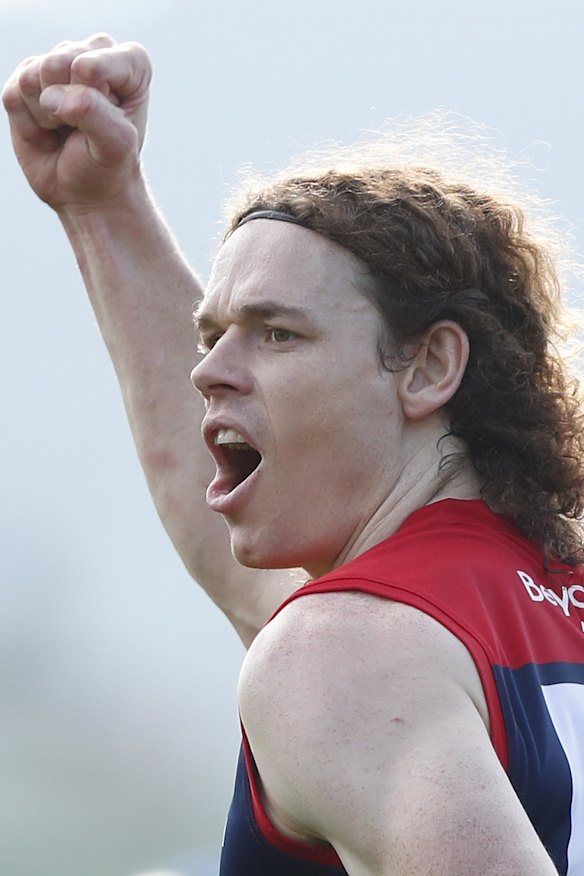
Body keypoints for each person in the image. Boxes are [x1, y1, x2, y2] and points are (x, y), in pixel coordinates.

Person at [4, 33, 584, 876]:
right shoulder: (489, 609)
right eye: (213, 336)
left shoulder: (352, 653)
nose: (206, 372)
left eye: (277, 333)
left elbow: (345, 658)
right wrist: (102, 204)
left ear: (428, 367)